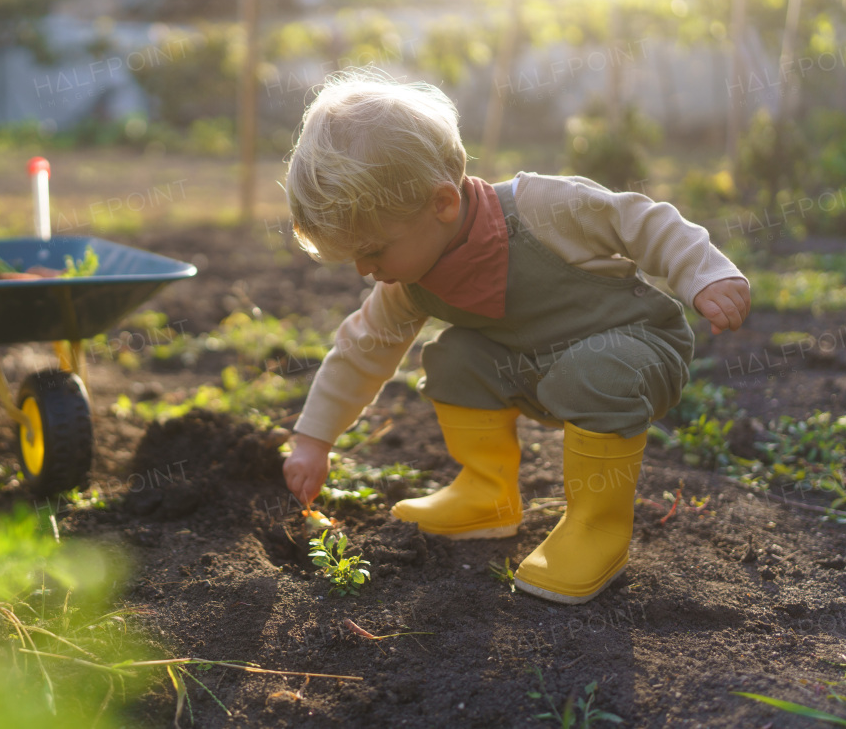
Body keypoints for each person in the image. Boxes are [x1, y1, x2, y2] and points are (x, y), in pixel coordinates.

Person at [281, 71, 750, 605]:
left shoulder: (542, 207)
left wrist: (705, 274)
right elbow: (360, 349)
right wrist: (314, 439)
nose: (366, 270)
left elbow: (640, 220)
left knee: (595, 369)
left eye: (373, 250)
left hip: (635, 350)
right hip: (538, 371)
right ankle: (487, 495)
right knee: (455, 356)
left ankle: (598, 529)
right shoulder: (409, 283)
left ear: (442, 204)